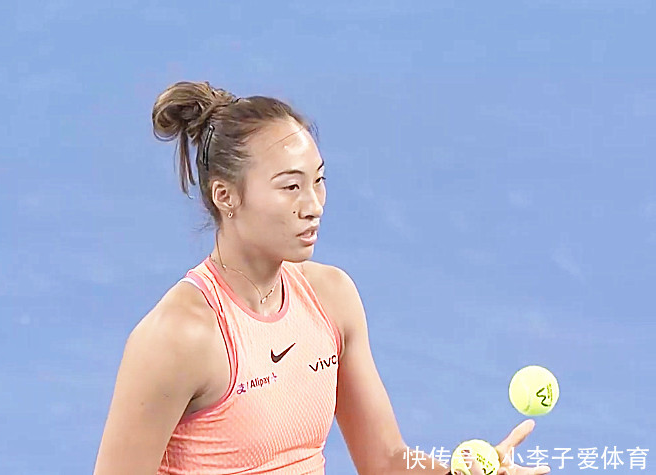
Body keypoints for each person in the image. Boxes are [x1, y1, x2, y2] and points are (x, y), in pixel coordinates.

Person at [94, 81, 550, 475]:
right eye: (291, 186)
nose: (313, 205)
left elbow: (386, 461)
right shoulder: (179, 337)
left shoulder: (331, 297)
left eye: (319, 180)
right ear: (225, 196)